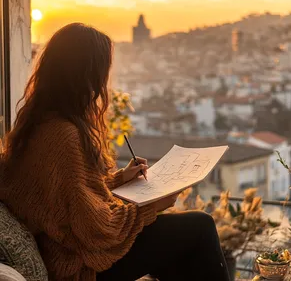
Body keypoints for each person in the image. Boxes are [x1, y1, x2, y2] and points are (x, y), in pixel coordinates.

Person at [0, 23, 229, 281]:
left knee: (180, 244)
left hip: (64, 252)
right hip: (78, 265)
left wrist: (120, 179)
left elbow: (65, 200)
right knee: (201, 226)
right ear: (85, 74)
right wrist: (150, 207)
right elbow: (96, 229)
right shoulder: (63, 135)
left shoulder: (38, 123)